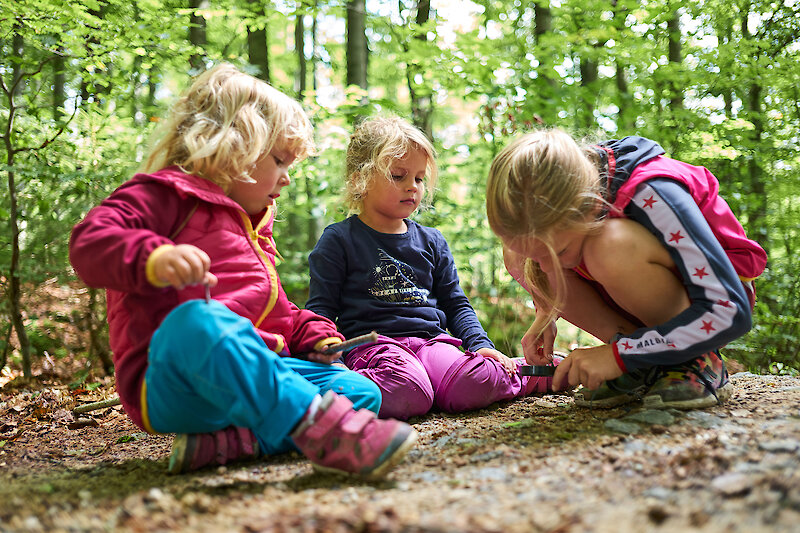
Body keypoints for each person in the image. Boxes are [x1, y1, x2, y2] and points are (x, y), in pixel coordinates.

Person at [69, 64, 417, 477]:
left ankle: (233, 443)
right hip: (175, 378)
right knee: (199, 320)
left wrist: (313, 333)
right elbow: (88, 242)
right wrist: (152, 257)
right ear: (235, 145)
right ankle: (323, 432)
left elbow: (277, 312)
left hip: (255, 377)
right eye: (280, 162)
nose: (286, 179)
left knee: (359, 390)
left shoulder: (251, 228)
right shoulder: (161, 194)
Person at [486, 129, 767, 410]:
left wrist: (617, 356)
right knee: (516, 255)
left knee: (608, 245)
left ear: (592, 205)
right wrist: (546, 311)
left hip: (713, 299)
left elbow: (730, 309)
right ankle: (642, 363)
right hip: (640, 302)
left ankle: (695, 360)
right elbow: (543, 255)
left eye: (559, 252)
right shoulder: (571, 218)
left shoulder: (652, 192)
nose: (546, 269)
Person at [305, 115, 559, 421]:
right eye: (398, 176)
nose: (412, 186)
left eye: (419, 178)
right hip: (375, 349)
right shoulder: (339, 240)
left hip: (431, 343)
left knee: (471, 382)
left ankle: (536, 372)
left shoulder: (431, 240)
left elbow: (455, 303)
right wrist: (322, 354)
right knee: (405, 389)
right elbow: (321, 307)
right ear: (361, 178)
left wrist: (480, 345)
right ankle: (326, 393)